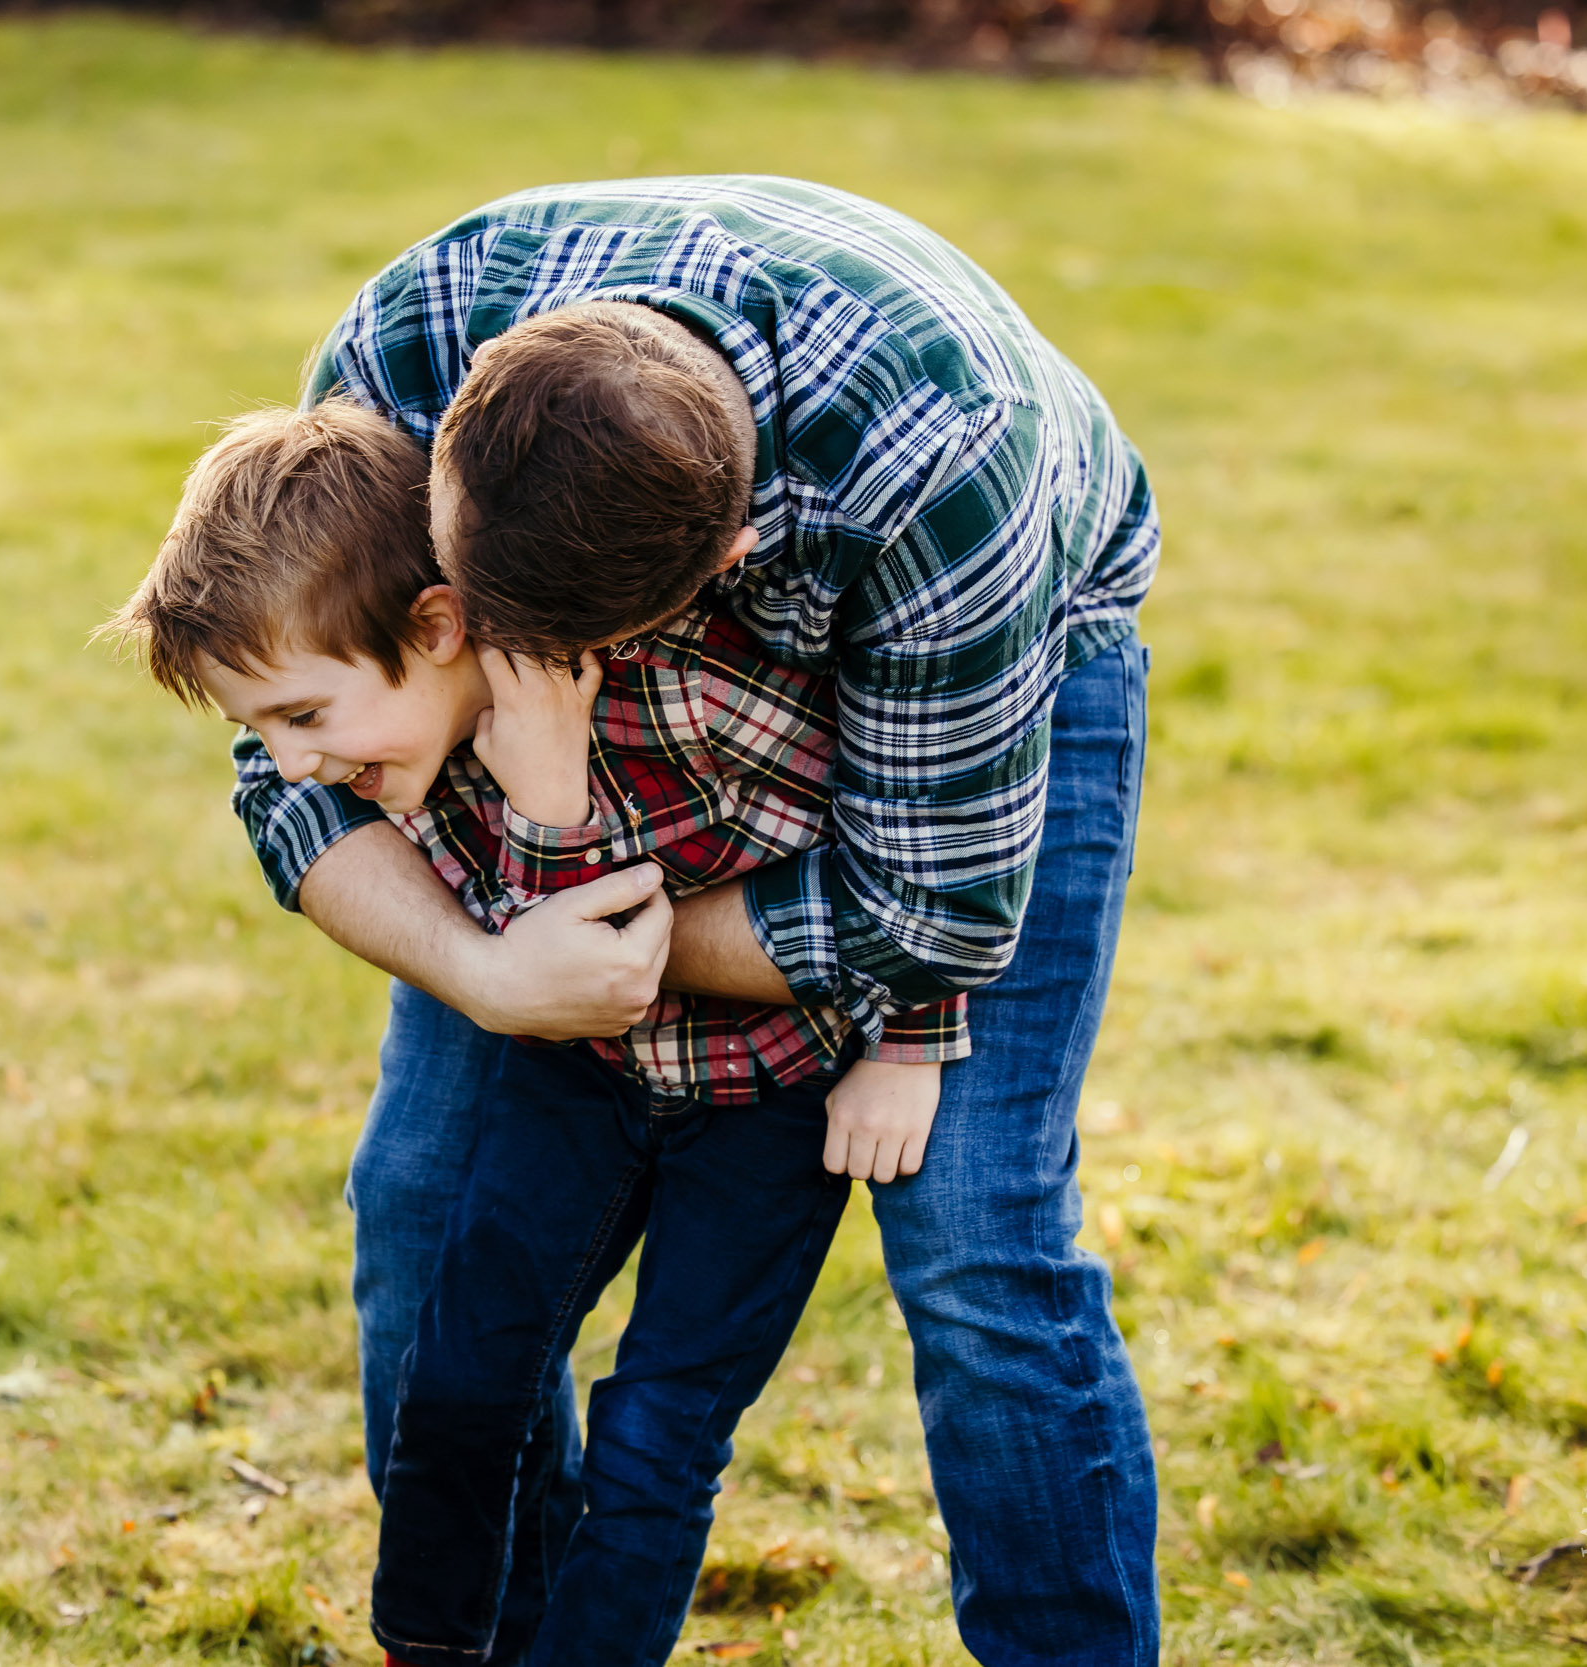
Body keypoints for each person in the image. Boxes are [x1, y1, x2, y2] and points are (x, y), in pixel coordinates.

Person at [237, 178, 1163, 1664]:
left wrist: (607, 953)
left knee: (978, 1248)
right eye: (471, 613)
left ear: (713, 578)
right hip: (573, 769)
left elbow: (917, 906)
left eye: (564, 646)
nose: (496, 654)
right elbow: (285, 752)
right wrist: (490, 964)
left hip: (988, 667)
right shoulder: (411, 352)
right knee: (423, 1196)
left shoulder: (946, 472)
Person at [105, 396, 962, 1662]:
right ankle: (436, 1644)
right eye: (262, 732)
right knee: (459, 1368)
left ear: (438, 625)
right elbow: (539, 950)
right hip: (584, 1077)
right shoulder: (407, 756)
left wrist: (906, 1041)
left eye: (302, 716)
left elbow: (902, 855)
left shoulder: (687, 693)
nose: (290, 767)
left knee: (655, 1438)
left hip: (765, 1104)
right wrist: (539, 811)